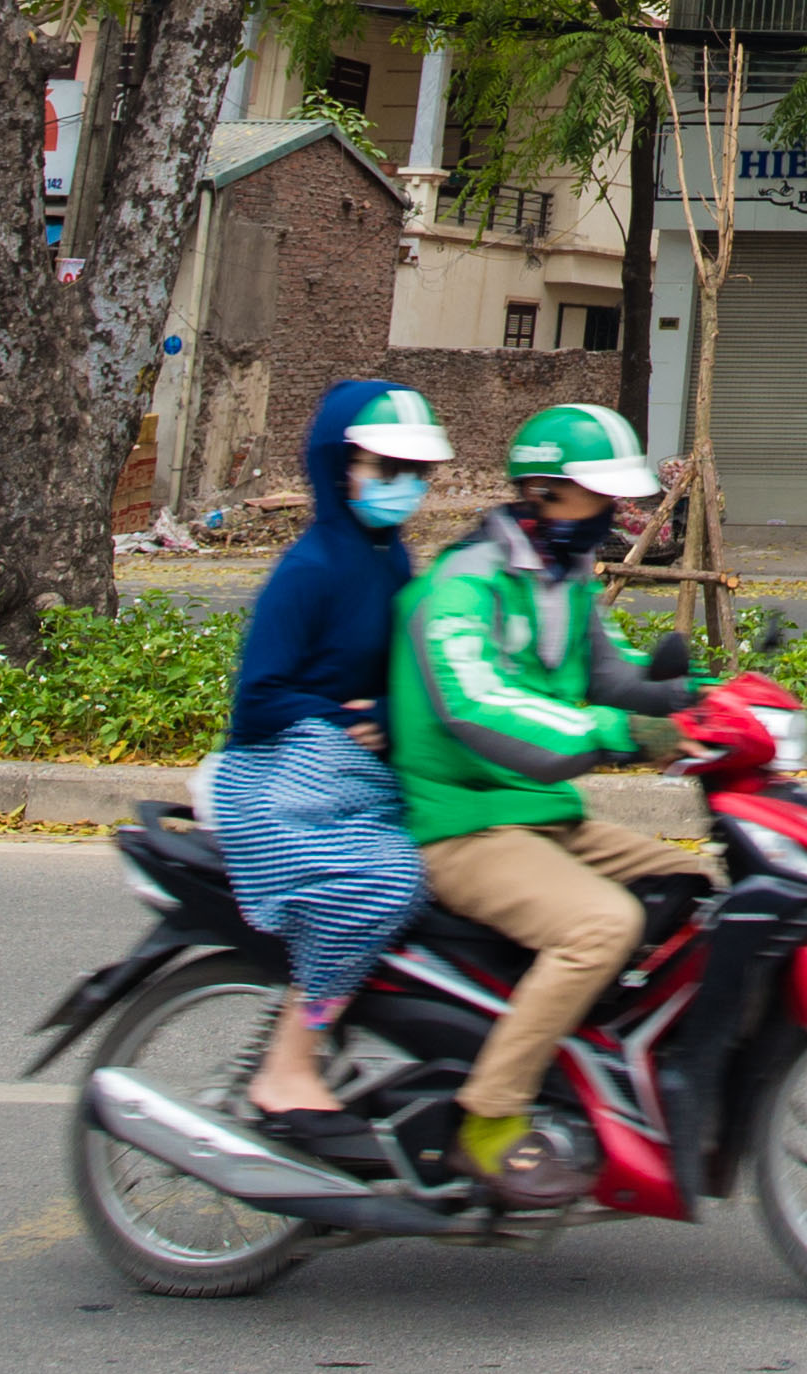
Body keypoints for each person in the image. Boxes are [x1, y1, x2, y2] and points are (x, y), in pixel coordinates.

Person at [393, 403, 738, 1201]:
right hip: (462, 819)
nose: (618, 514)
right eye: (600, 497)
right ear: (544, 493)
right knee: (602, 925)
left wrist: (702, 697)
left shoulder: (563, 575)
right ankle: (491, 1115)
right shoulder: (464, 585)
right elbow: (480, 706)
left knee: (688, 894)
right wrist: (627, 732)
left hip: (537, 816)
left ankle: (596, 1068)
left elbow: (604, 674)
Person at [215, 381, 460, 1153]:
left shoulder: (391, 561)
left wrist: (385, 718)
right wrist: (337, 726)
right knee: (384, 882)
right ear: (339, 464)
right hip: (279, 782)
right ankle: (291, 1059)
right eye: (386, 467)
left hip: (359, 774)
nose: (404, 486)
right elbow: (259, 697)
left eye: (416, 473)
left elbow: (399, 681)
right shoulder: (312, 567)